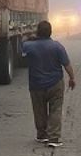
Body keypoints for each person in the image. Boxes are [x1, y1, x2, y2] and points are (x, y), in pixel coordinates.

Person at [22, 20, 76, 148]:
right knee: (56, 109)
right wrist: (72, 78)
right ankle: (54, 137)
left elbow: (22, 45)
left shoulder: (29, 46)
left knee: (39, 110)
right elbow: (66, 64)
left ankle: (42, 134)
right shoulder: (57, 47)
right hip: (55, 83)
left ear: (37, 32)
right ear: (51, 32)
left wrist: (31, 38)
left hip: (36, 85)